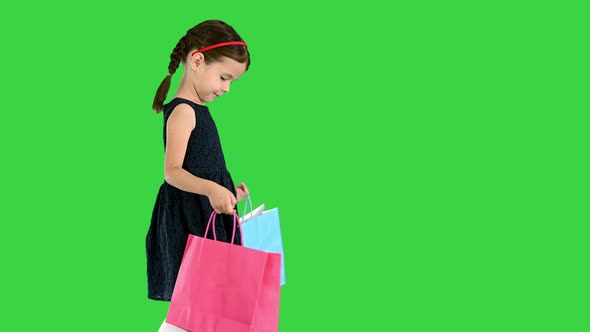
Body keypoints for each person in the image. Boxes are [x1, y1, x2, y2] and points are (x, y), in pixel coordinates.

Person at [145, 19, 251, 332]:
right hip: (190, 220)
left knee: (208, 302)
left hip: (206, 212)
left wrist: (226, 191)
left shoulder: (199, 109)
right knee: (194, 302)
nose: (227, 88)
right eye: (224, 77)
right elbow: (172, 172)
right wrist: (210, 189)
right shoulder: (183, 110)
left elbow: (201, 166)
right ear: (197, 61)